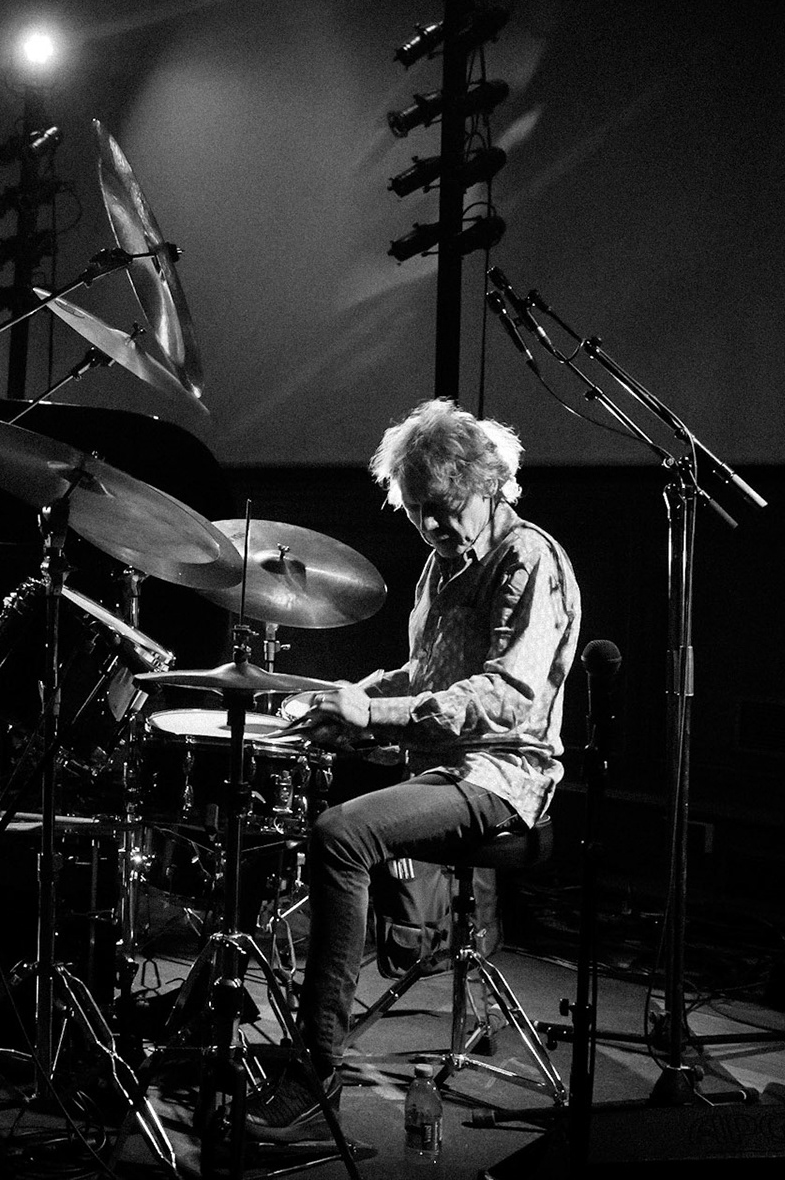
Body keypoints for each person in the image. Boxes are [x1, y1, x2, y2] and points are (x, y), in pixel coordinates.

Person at [248, 397, 582, 1140]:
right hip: (446, 769)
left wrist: (384, 718)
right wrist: (356, 699)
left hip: (503, 776)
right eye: (417, 511)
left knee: (341, 835)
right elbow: (425, 672)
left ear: (487, 483)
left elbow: (507, 695)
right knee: (327, 791)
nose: (431, 525)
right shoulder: (441, 565)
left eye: (443, 507)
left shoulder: (527, 558)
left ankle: (315, 1066)